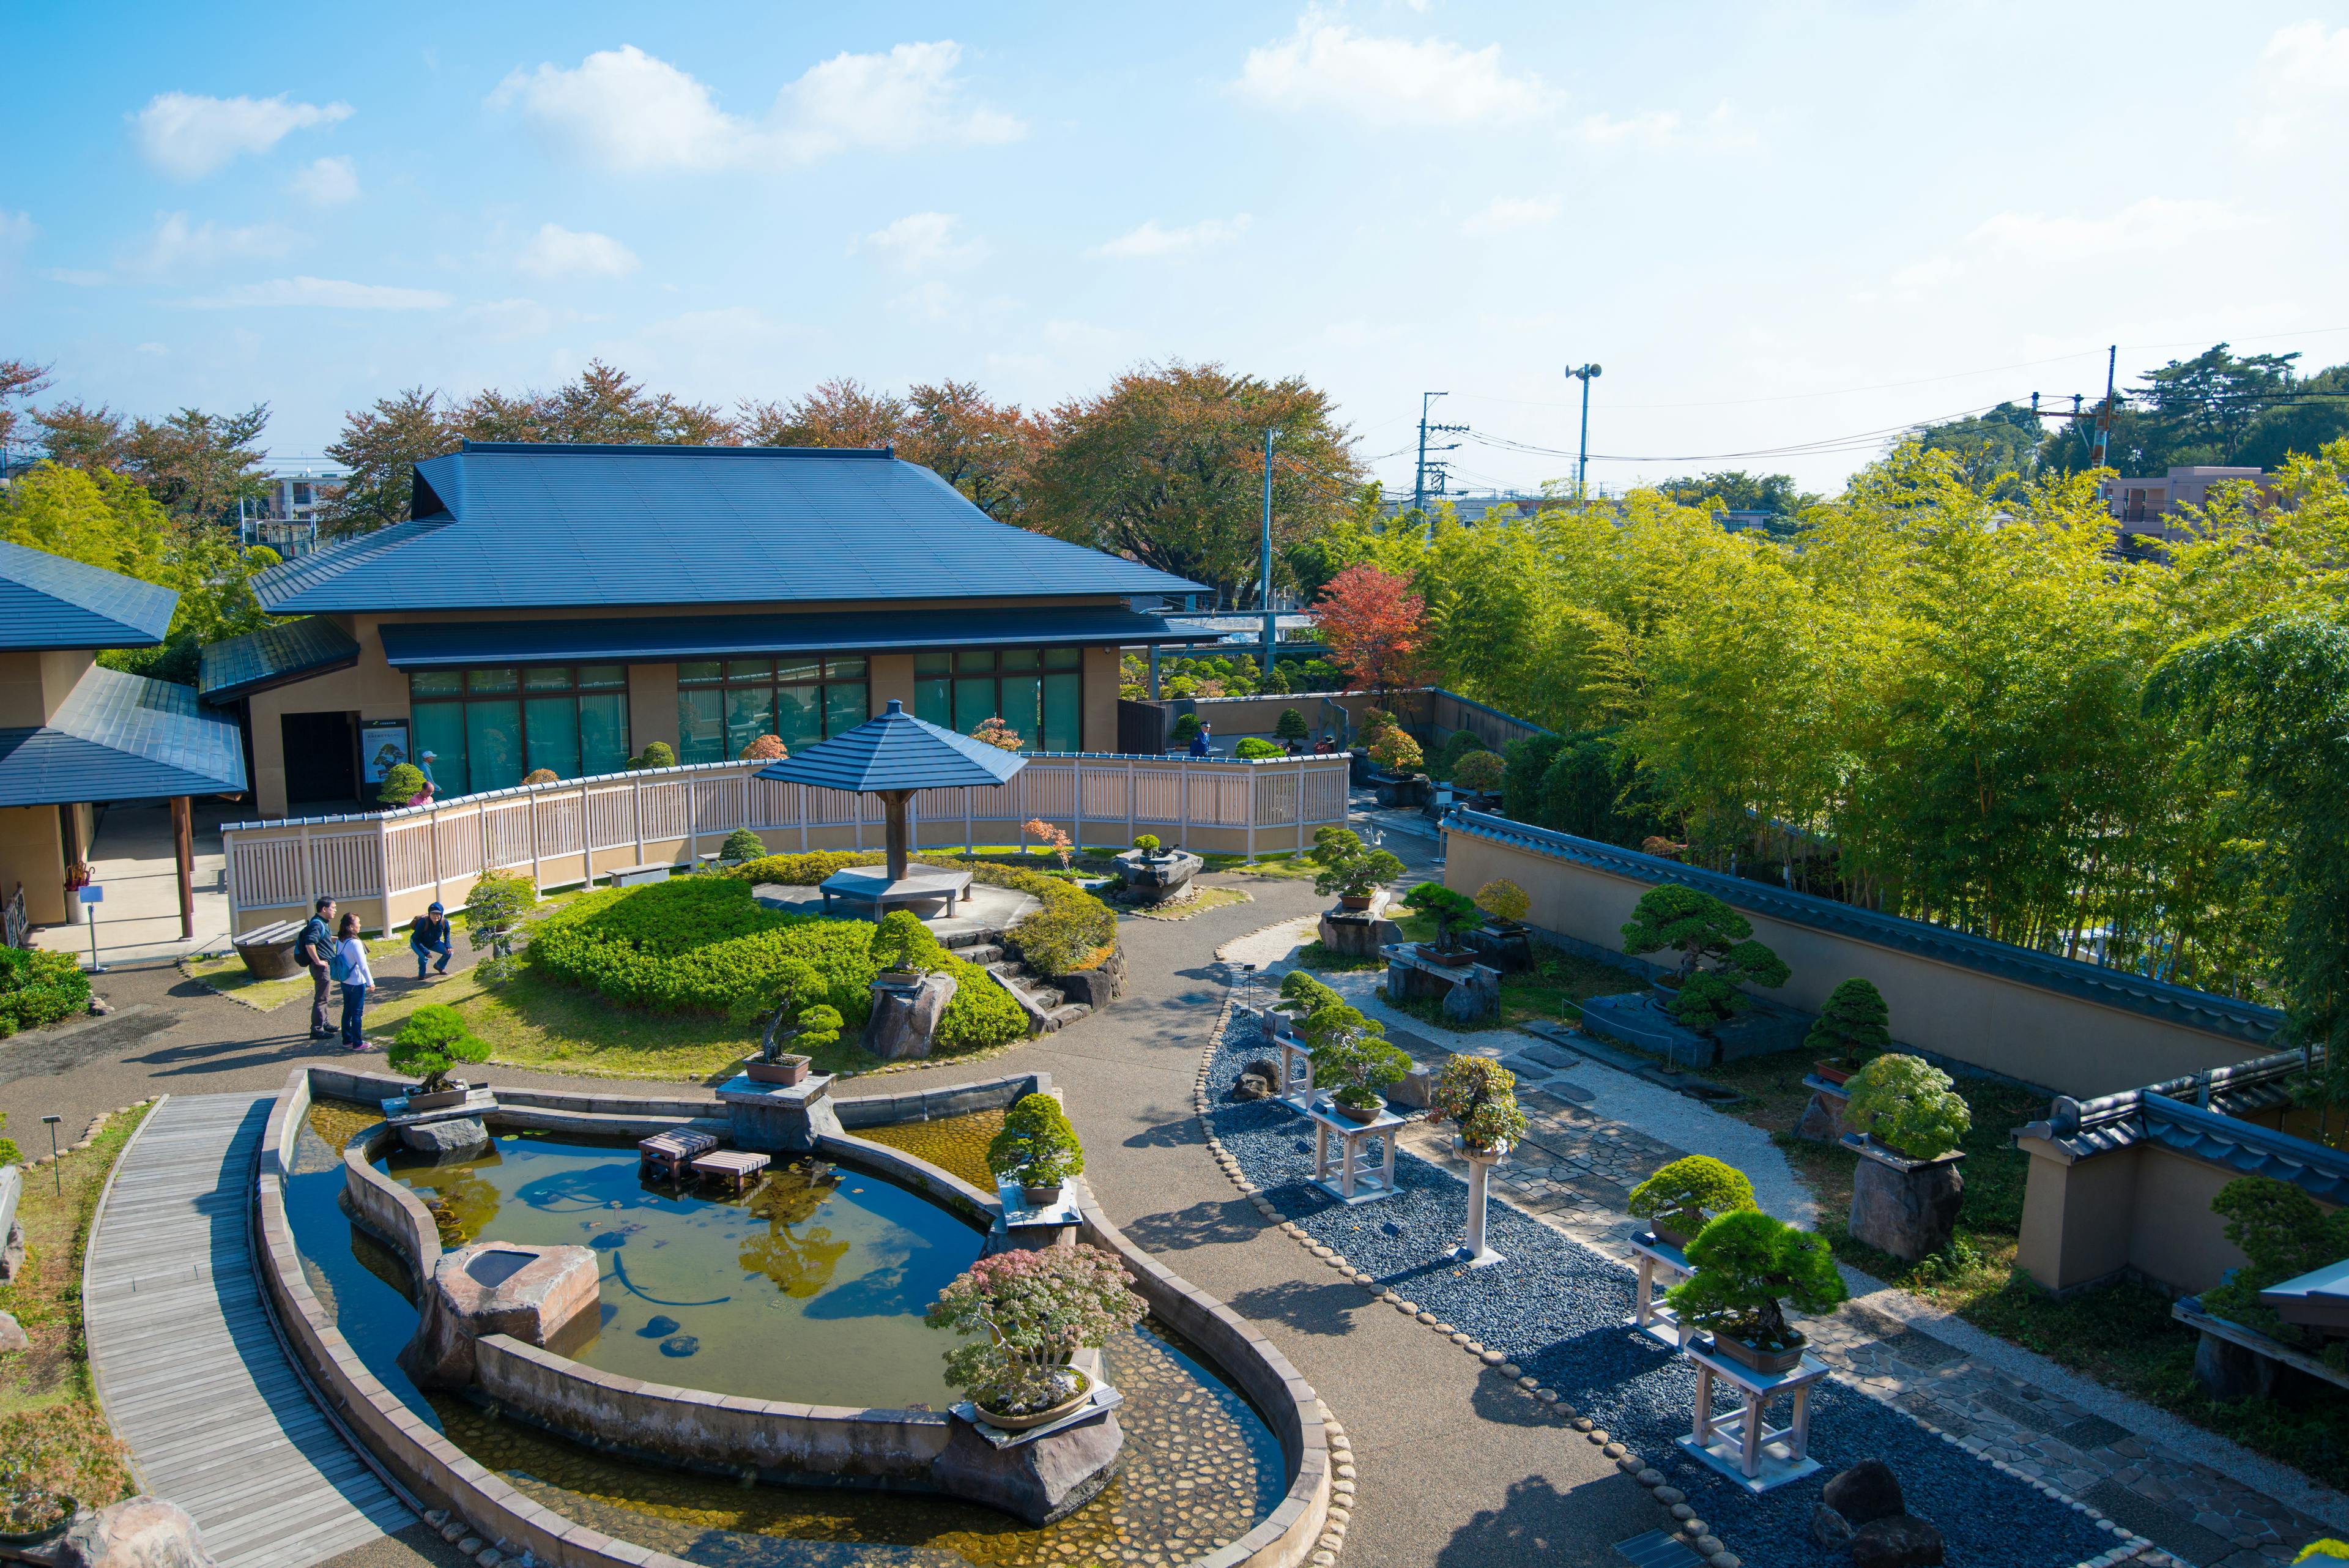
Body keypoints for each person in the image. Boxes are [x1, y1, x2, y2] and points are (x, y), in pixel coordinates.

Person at [296, 896, 336, 1040]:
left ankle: (324, 1023)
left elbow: (324, 939)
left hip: (324, 965)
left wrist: (340, 939)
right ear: (324, 909)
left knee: (325, 996)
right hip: (320, 968)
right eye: (333, 908)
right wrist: (318, 961)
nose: (335, 911)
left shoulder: (322, 923)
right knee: (321, 998)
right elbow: (310, 944)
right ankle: (317, 1029)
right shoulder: (317, 924)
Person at [334, 913, 374, 1052]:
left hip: (345, 980)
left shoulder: (340, 940)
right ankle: (358, 1042)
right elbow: (363, 965)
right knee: (357, 1014)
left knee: (347, 1011)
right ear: (351, 927)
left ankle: (347, 1040)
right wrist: (371, 982)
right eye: (358, 923)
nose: (360, 925)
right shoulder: (355, 943)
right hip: (357, 982)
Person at [410, 902, 453, 979]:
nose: (436, 916)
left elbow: (447, 932)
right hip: (417, 943)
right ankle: (422, 975)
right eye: (433, 914)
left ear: (442, 914)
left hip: (434, 943)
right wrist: (426, 951)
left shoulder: (444, 921)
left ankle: (440, 966)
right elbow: (416, 939)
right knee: (423, 957)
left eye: (438, 914)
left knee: (449, 952)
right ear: (429, 914)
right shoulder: (423, 922)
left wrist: (448, 945)